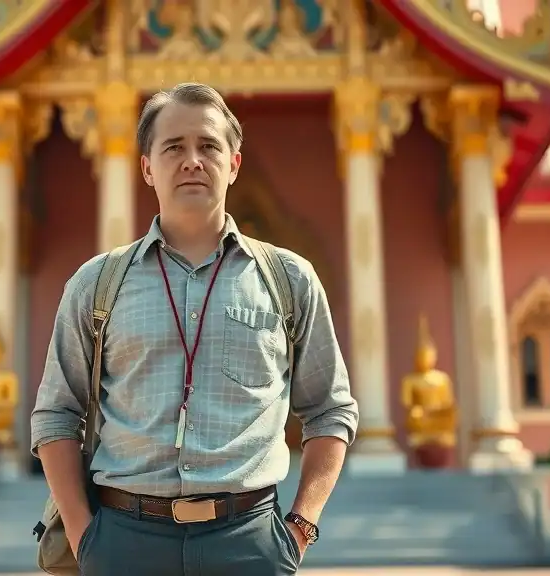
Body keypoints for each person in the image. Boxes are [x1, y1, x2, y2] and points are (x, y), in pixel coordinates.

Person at [31, 82, 359, 576]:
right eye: (173, 147)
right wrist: (84, 538)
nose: (192, 161)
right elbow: (56, 413)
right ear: (147, 167)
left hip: (248, 539)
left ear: (234, 164)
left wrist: (300, 528)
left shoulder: (289, 280)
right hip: (125, 539)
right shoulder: (96, 284)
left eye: (209, 146)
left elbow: (331, 409)